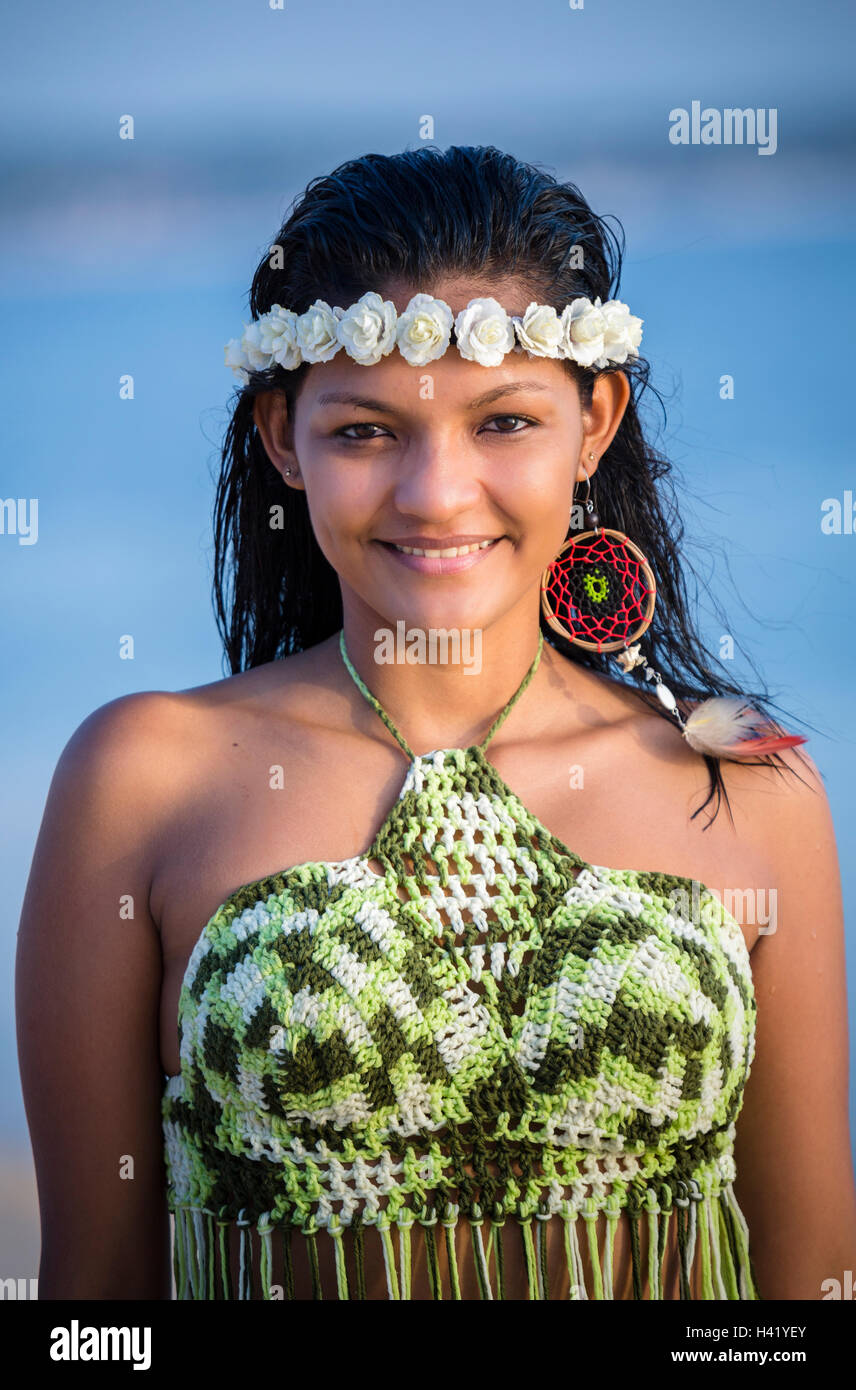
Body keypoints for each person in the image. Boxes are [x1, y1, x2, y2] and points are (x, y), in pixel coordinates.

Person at [16, 145, 856, 1300]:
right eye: (365, 431)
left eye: (504, 422)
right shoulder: (140, 778)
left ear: (593, 422)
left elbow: (812, 1288)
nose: (435, 493)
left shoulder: (752, 790)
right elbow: (91, 1308)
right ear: (281, 437)